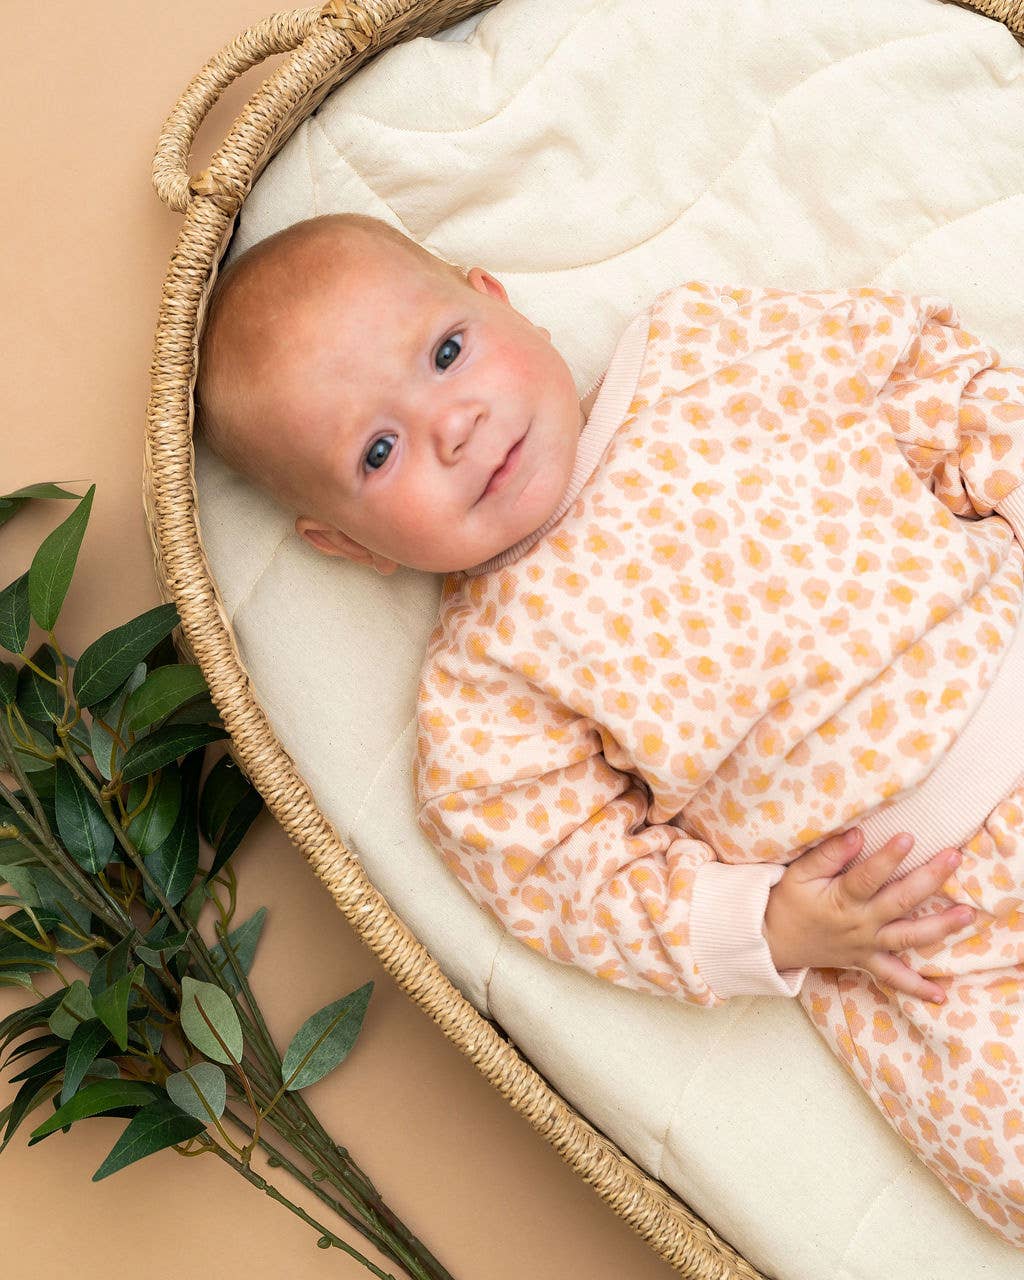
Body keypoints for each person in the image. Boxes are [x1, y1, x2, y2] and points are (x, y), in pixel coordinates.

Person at [196, 211, 1024, 1248]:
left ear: (497, 299)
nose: (452, 426)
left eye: (446, 353)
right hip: (911, 929)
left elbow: (937, 386)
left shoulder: (707, 349)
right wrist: (765, 926)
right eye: (377, 450)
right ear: (348, 544)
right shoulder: (485, 685)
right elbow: (563, 873)